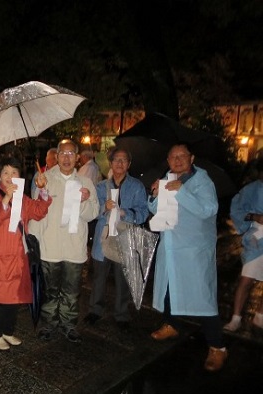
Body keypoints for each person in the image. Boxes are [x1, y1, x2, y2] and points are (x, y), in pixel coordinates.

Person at [148, 143, 227, 372]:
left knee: (203, 298)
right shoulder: (167, 177)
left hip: (194, 251)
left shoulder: (203, 182)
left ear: (191, 158)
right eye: (173, 156)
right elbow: (154, 209)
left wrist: (180, 191)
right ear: (168, 160)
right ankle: (172, 324)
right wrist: (155, 194)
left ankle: (217, 345)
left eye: (182, 155)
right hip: (171, 247)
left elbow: (208, 209)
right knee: (170, 289)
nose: (178, 159)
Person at [29, 139, 99, 343]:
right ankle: (49, 324)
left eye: (71, 154)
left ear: (77, 157)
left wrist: (85, 201)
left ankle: (68, 324)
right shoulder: (44, 180)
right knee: (50, 290)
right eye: (63, 153)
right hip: (50, 246)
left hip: (74, 247)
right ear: (56, 156)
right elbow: (36, 213)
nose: (67, 158)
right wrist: (35, 243)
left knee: (71, 291)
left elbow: (93, 213)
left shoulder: (85, 183)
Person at [0, 156, 52, 350]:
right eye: (5, 172)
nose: (10, 176)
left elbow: (38, 211)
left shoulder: (23, 198)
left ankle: (7, 331)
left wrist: (43, 189)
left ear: (20, 176)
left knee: (14, 296)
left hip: (18, 256)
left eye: (14, 173)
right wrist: (6, 198)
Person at [84, 147, 149, 332]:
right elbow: (92, 213)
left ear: (129, 164)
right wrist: (104, 208)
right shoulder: (100, 186)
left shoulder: (137, 186)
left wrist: (125, 213)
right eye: (116, 160)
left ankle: (121, 314)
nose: (119, 163)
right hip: (103, 238)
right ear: (111, 163)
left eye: (124, 160)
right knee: (98, 277)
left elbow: (144, 213)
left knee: (122, 278)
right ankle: (95, 310)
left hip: (124, 238)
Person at [223, 157, 263, 332]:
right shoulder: (251, 190)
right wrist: (255, 217)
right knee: (246, 279)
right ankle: (236, 317)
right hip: (257, 237)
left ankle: (260, 315)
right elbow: (237, 210)